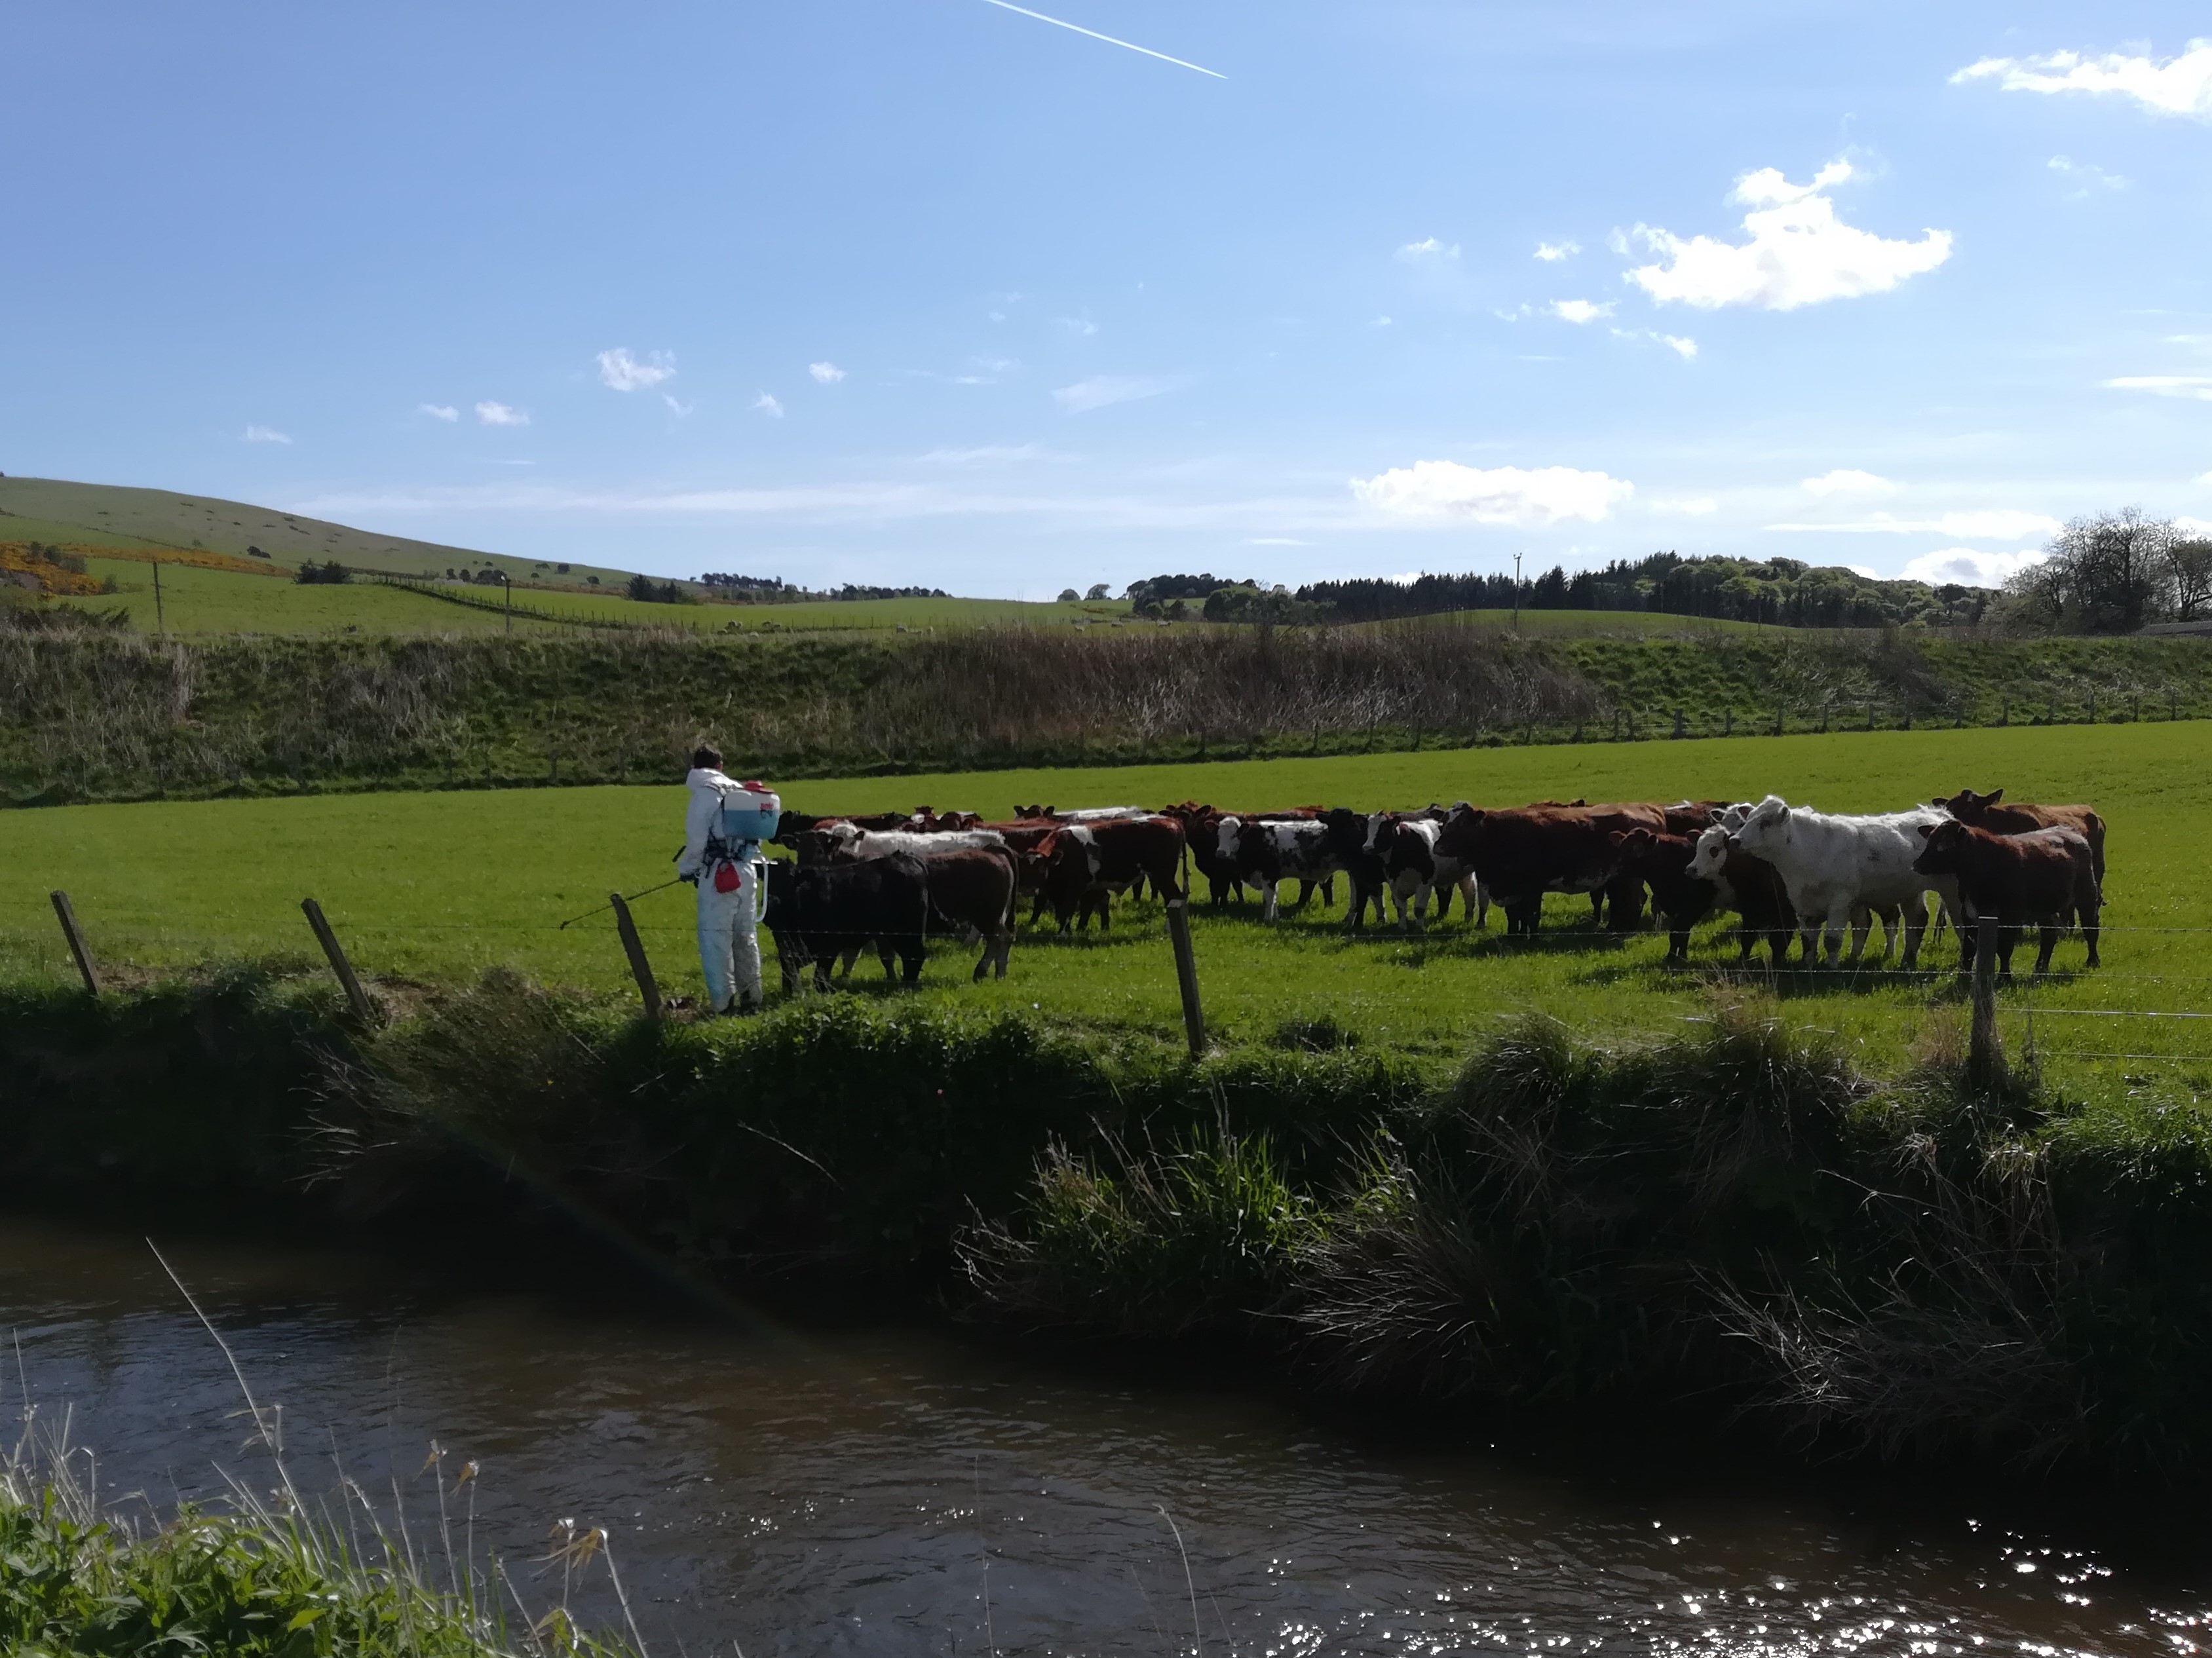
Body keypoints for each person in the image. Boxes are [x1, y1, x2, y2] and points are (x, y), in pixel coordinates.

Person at [677, 744, 769, 1014]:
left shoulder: (705, 794)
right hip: (747, 871)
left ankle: (723, 1006)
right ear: (720, 766)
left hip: (719, 875)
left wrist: (686, 870)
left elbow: (696, 842)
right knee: (746, 937)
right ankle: (752, 998)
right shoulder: (741, 791)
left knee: (716, 940)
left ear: (695, 767)